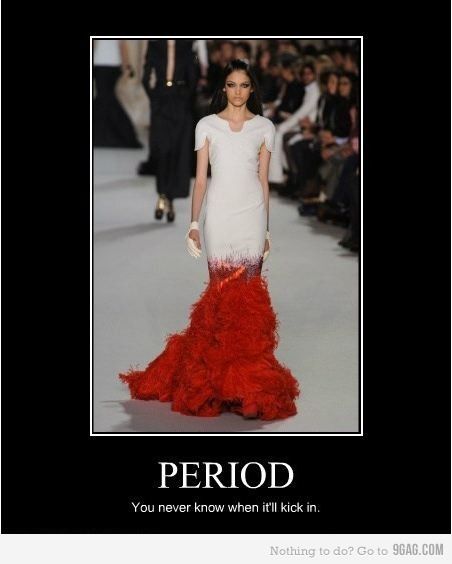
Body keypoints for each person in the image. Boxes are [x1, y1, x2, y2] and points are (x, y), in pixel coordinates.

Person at [119, 60, 300, 421]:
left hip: (251, 216)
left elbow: (263, 181)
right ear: (224, 88)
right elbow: (200, 179)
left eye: (244, 85)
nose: (237, 91)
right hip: (218, 216)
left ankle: (247, 384)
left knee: (249, 299)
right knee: (221, 295)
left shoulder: (264, 127)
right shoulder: (206, 125)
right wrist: (193, 224)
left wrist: (266, 230)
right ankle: (219, 382)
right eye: (231, 85)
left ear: (251, 89)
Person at [137, 40, 198, 222]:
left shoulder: (187, 44)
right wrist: (154, 99)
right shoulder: (155, 44)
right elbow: (146, 75)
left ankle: (169, 198)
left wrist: (185, 97)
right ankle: (162, 194)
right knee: (163, 150)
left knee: (178, 151)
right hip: (161, 101)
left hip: (180, 103)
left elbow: (193, 76)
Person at [93, 39, 143, 148]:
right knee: (104, 99)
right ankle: (106, 135)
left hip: (111, 64)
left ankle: (118, 135)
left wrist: (127, 66)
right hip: (99, 64)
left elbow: (122, 45)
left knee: (105, 98)